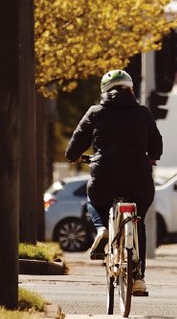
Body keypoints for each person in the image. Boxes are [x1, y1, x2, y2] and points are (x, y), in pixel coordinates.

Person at [65, 68, 164, 294]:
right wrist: (152, 157)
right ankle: (138, 278)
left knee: (93, 201)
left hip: (104, 176)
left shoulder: (95, 112)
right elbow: (157, 145)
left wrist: (74, 157)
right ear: (130, 89)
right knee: (138, 220)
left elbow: (75, 144)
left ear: (104, 91)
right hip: (138, 178)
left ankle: (101, 230)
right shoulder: (142, 113)